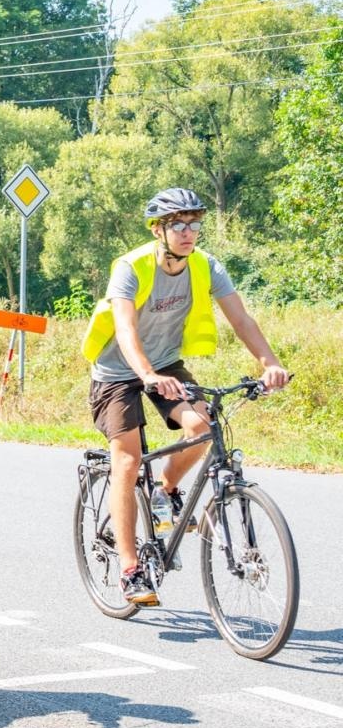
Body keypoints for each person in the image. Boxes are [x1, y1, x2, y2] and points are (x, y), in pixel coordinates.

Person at [81, 187, 289, 606]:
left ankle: (166, 488)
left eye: (194, 224)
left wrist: (269, 362)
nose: (188, 232)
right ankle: (130, 569)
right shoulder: (131, 267)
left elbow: (241, 317)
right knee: (128, 457)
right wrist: (146, 375)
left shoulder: (206, 266)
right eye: (178, 224)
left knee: (203, 428)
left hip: (167, 365)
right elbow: (125, 329)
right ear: (158, 229)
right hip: (118, 371)